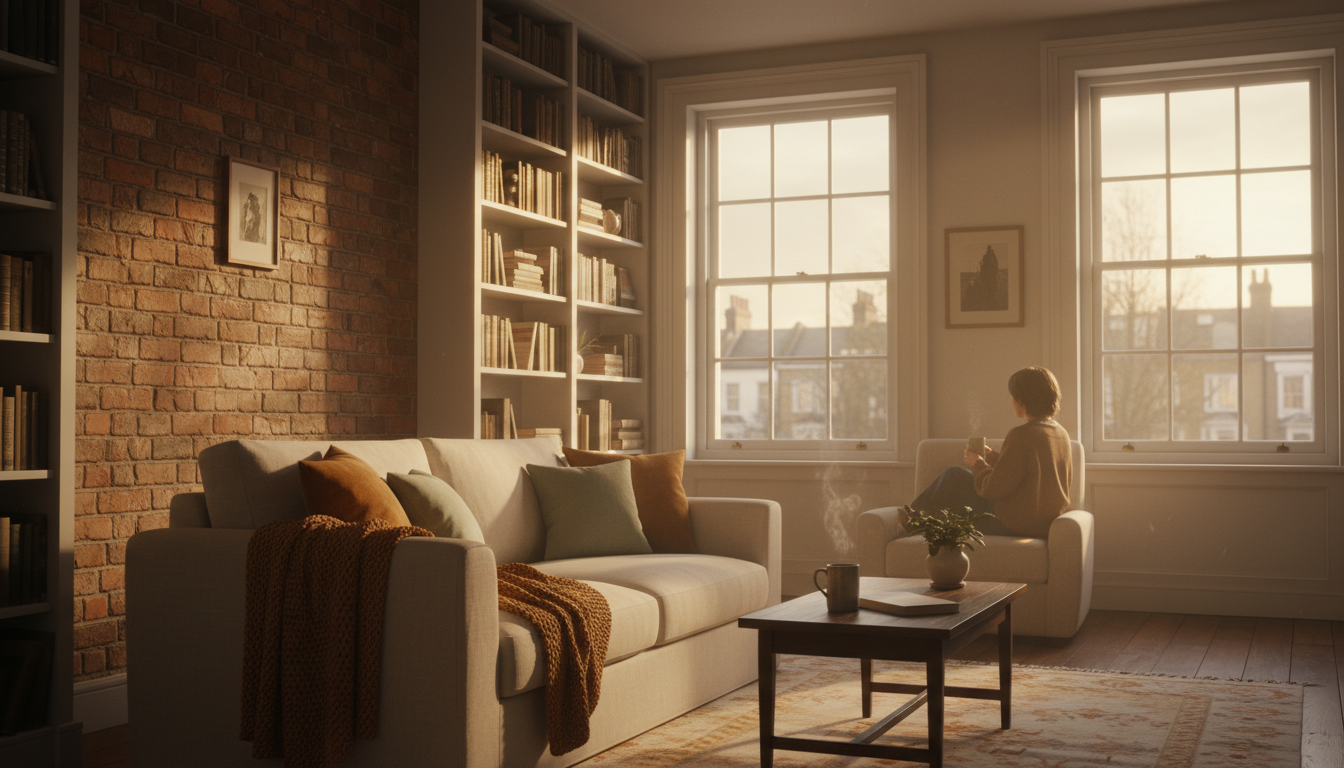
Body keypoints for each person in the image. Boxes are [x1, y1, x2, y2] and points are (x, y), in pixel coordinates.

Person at [906, 367, 1072, 539]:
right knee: (952, 509)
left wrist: (977, 463)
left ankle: (911, 520)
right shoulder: (1061, 434)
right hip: (1042, 524)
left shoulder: (1021, 435)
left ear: (1022, 400)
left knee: (954, 475)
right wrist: (994, 457)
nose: (1012, 401)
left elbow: (993, 489)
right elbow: (1025, 474)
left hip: (1013, 524)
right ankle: (920, 523)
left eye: (1013, 396)